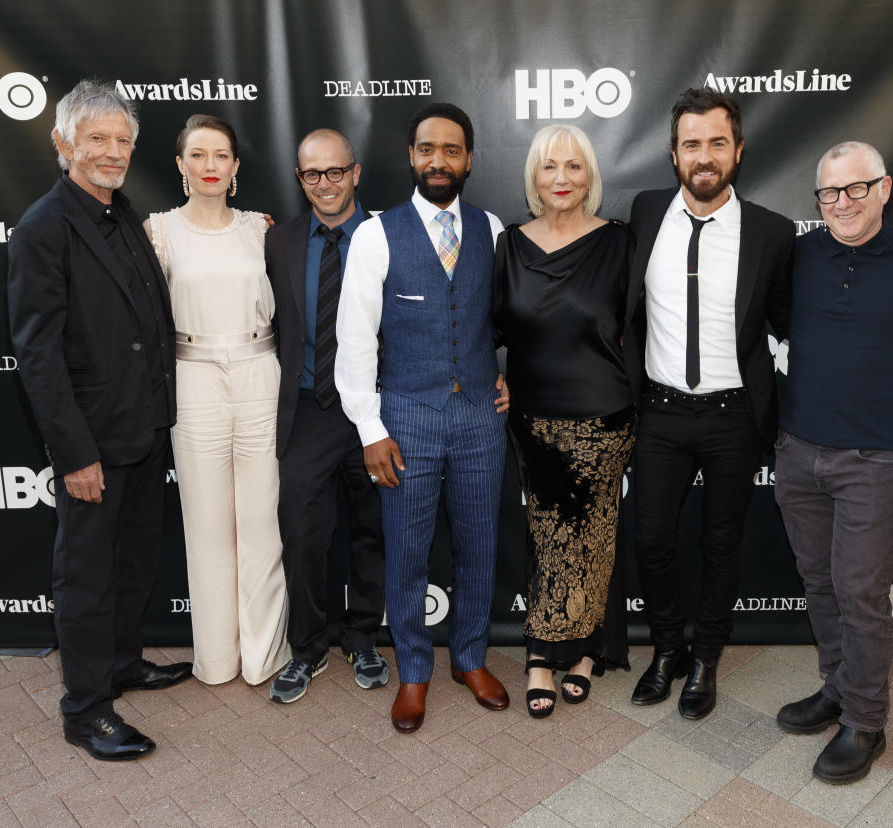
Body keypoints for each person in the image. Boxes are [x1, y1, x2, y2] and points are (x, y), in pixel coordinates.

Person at [7, 79, 192, 762]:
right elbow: (38, 353)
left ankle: (120, 664)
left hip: (143, 427)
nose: (112, 151)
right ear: (64, 144)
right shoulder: (43, 229)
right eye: (97, 139)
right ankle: (85, 710)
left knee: (136, 559)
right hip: (92, 441)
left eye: (122, 140)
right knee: (86, 577)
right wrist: (74, 452)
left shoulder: (121, 212)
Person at [336, 102, 511, 734]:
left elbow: (513, 318)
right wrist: (370, 428)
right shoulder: (377, 235)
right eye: (427, 149)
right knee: (407, 552)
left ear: (468, 159)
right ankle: (413, 669)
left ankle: (469, 657)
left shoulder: (492, 229)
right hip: (404, 418)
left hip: (478, 419)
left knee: (479, 546)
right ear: (411, 157)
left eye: (452, 150)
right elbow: (354, 340)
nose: (439, 160)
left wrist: (510, 375)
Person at [624, 87, 794, 720]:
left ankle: (706, 659)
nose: (704, 156)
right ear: (673, 155)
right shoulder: (643, 214)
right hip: (660, 412)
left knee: (722, 544)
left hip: (733, 418)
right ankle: (667, 649)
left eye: (716, 143)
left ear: (738, 151)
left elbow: (789, 323)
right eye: (691, 144)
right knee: (651, 539)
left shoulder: (772, 234)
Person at [772, 141, 893, 783]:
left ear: (886, 189)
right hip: (798, 449)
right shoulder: (799, 256)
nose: (842, 203)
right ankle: (837, 687)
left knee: (861, 590)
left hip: (875, 456)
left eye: (856, 189)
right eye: (830, 193)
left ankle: (866, 721)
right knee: (819, 581)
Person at [143, 114, 290, 688]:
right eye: (198, 156)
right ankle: (217, 660)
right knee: (205, 527)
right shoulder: (157, 232)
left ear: (235, 167)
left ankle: (263, 657)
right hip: (193, 377)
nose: (210, 166)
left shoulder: (260, 229)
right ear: (180, 166)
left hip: (259, 373)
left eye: (221, 156)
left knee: (261, 523)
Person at [493, 124, 634, 718]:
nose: (562, 179)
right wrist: (489, 374)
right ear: (534, 175)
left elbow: (646, 327)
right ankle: (542, 653)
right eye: (550, 167)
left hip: (605, 416)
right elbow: (487, 326)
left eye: (574, 167)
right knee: (549, 537)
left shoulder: (620, 243)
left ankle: (576, 653)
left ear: (590, 176)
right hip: (532, 418)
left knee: (594, 538)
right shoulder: (509, 244)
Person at [264, 129, 388, 704]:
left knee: (373, 531)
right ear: (299, 179)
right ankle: (308, 648)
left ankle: (362, 635)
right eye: (313, 174)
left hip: (375, 415)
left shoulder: (387, 236)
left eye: (335, 172)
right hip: (308, 411)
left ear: (355, 173)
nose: (325, 184)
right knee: (305, 537)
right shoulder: (279, 242)